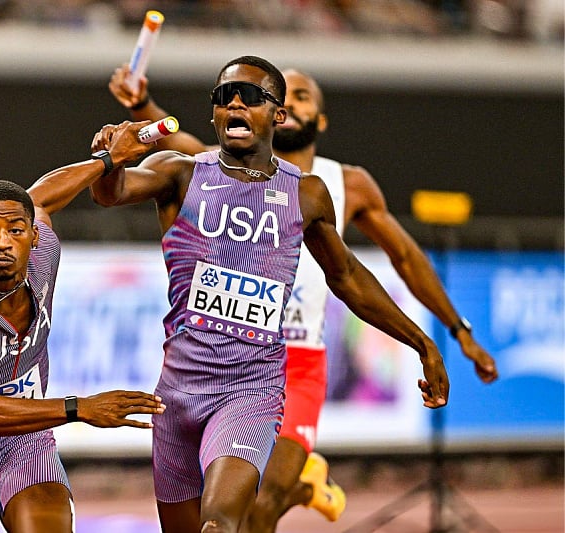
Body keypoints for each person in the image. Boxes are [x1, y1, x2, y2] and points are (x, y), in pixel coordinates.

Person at [107, 62, 500, 531]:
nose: (289, 103)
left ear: (302, 116)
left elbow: (388, 263)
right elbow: (168, 151)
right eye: (230, 96)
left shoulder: (331, 186)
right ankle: (302, 483)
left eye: (301, 97)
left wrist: (446, 335)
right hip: (191, 372)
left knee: (249, 512)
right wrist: (135, 118)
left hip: (283, 366)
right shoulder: (207, 166)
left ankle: (289, 483)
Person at [0, 121, 165, 532]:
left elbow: (41, 196)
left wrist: (110, 159)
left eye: (15, 230)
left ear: (33, 235)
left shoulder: (44, 255)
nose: (2, 241)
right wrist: (79, 408)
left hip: (25, 443)